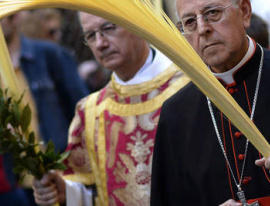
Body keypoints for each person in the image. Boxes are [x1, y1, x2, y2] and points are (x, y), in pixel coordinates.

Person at [32, 12, 188, 206]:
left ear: (138, 23)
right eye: (90, 35)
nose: (100, 44)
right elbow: (91, 189)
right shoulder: (90, 111)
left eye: (108, 29)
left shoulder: (191, 86)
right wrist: (64, 192)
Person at [151, 0, 270, 206]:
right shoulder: (176, 113)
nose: (203, 29)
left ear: (244, 12)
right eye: (189, 22)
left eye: (213, 12)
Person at [0, 11, 89, 205]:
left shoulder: (49, 55)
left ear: (16, 18)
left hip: (63, 174)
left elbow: (83, 109)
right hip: (21, 182)